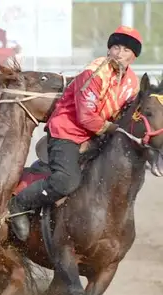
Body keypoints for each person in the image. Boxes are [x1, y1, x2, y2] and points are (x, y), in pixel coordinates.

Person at [8, 26, 142, 241]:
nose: (119, 53)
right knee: (66, 181)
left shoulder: (133, 83)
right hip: (67, 131)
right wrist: (115, 130)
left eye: (126, 50)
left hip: (97, 135)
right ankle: (19, 203)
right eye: (116, 47)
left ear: (133, 56)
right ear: (109, 50)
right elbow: (85, 116)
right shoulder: (94, 72)